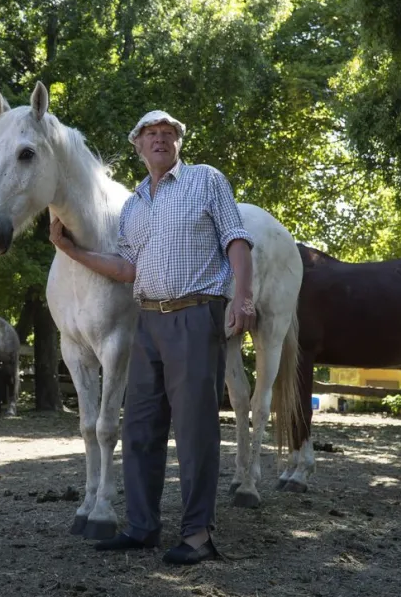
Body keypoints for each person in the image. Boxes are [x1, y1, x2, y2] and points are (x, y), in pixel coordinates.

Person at [48, 110, 256, 565]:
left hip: (196, 315)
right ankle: (142, 526)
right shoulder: (134, 206)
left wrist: (242, 297)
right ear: (137, 147)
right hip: (147, 322)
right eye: (150, 135)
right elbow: (126, 269)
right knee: (140, 427)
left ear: (179, 143)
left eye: (168, 134)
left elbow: (236, 240)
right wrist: (72, 250)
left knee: (195, 430)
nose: (160, 140)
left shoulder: (206, 180)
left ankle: (198, 535)